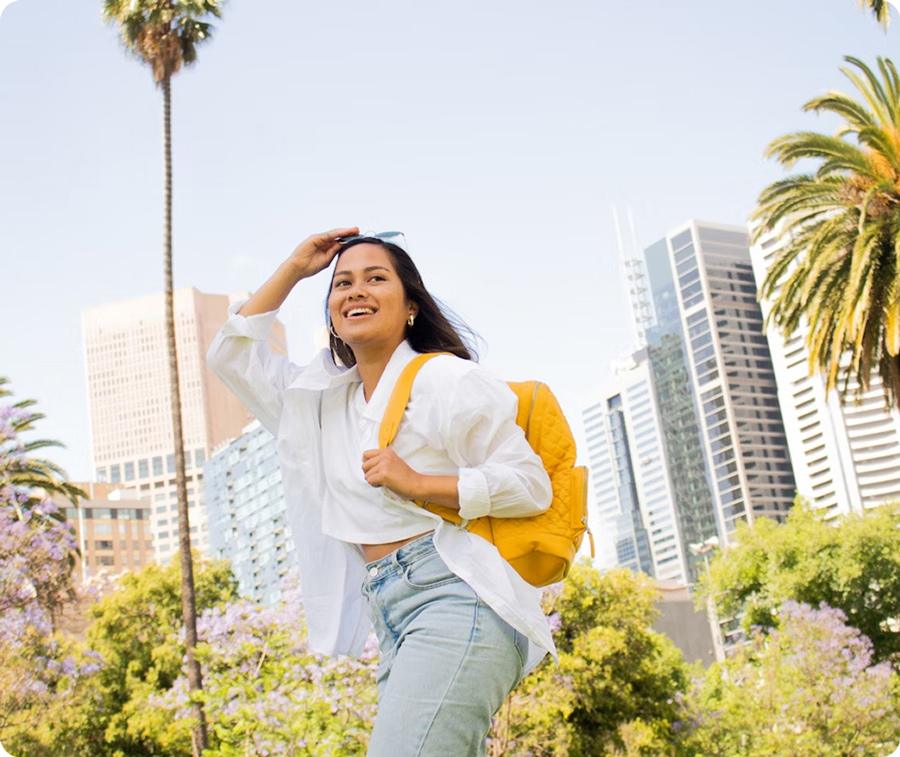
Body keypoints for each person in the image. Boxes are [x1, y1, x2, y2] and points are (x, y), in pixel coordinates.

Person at [206, 227, 558, 755]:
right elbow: (231, 357)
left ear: (410, 305)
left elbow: (530, 486)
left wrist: (418, 483)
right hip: (391, 611)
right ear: (330, 313)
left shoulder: (444, 380)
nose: (356, 291)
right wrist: (296, 267)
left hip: (458, 596)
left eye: (376, 279)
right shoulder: (321, 402)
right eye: (342, 284)